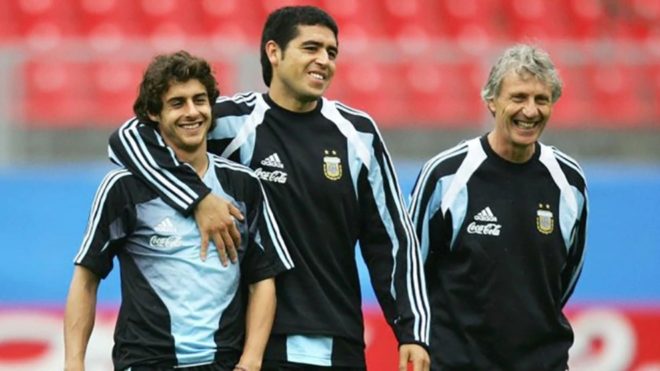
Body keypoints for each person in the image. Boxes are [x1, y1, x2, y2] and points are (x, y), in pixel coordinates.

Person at [107, 5, 430, 371]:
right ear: (273, 52)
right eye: (311, 48)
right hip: (253, 344)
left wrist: (412, 330)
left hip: (340, 338)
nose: (323, 60)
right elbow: (128, 137)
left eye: (331, 51)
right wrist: (198, 199)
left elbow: (391, 240)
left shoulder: (357, 134)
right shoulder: (231, 123)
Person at [64, 50, 293, 371]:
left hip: (223, 363)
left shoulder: (243, 184)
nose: (192, 112)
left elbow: (263, 278)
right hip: (145, 362)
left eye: (200, 100)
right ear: (154, 114)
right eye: (177, 103)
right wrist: (74, 362)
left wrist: (251, 362)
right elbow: (86, 278)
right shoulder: (123, 187)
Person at [409, 44, 589, 370]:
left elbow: (565, 275)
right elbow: (409, 269)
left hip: (542, 362)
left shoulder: (569, 182)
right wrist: (416, 337)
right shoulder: (446, 176)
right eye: (518, 98)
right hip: (457, 362)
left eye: (541, 99)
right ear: (491, 100)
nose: (530, 111)